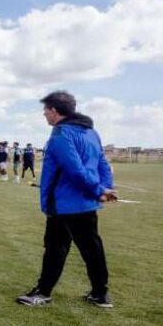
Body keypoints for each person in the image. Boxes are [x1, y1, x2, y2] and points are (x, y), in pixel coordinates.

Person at [17, 91, 116, 309]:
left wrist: (100, 189)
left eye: (45, 110)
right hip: (85, 203)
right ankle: (100, 294)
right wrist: (105, 188)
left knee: (56, 248)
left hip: (65, 204)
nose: (44, 114)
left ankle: (43, 292)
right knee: (92, 249)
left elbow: (75, 170)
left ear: (54, 110)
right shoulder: (91, 132)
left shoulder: (61, 134)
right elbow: (102, 163)